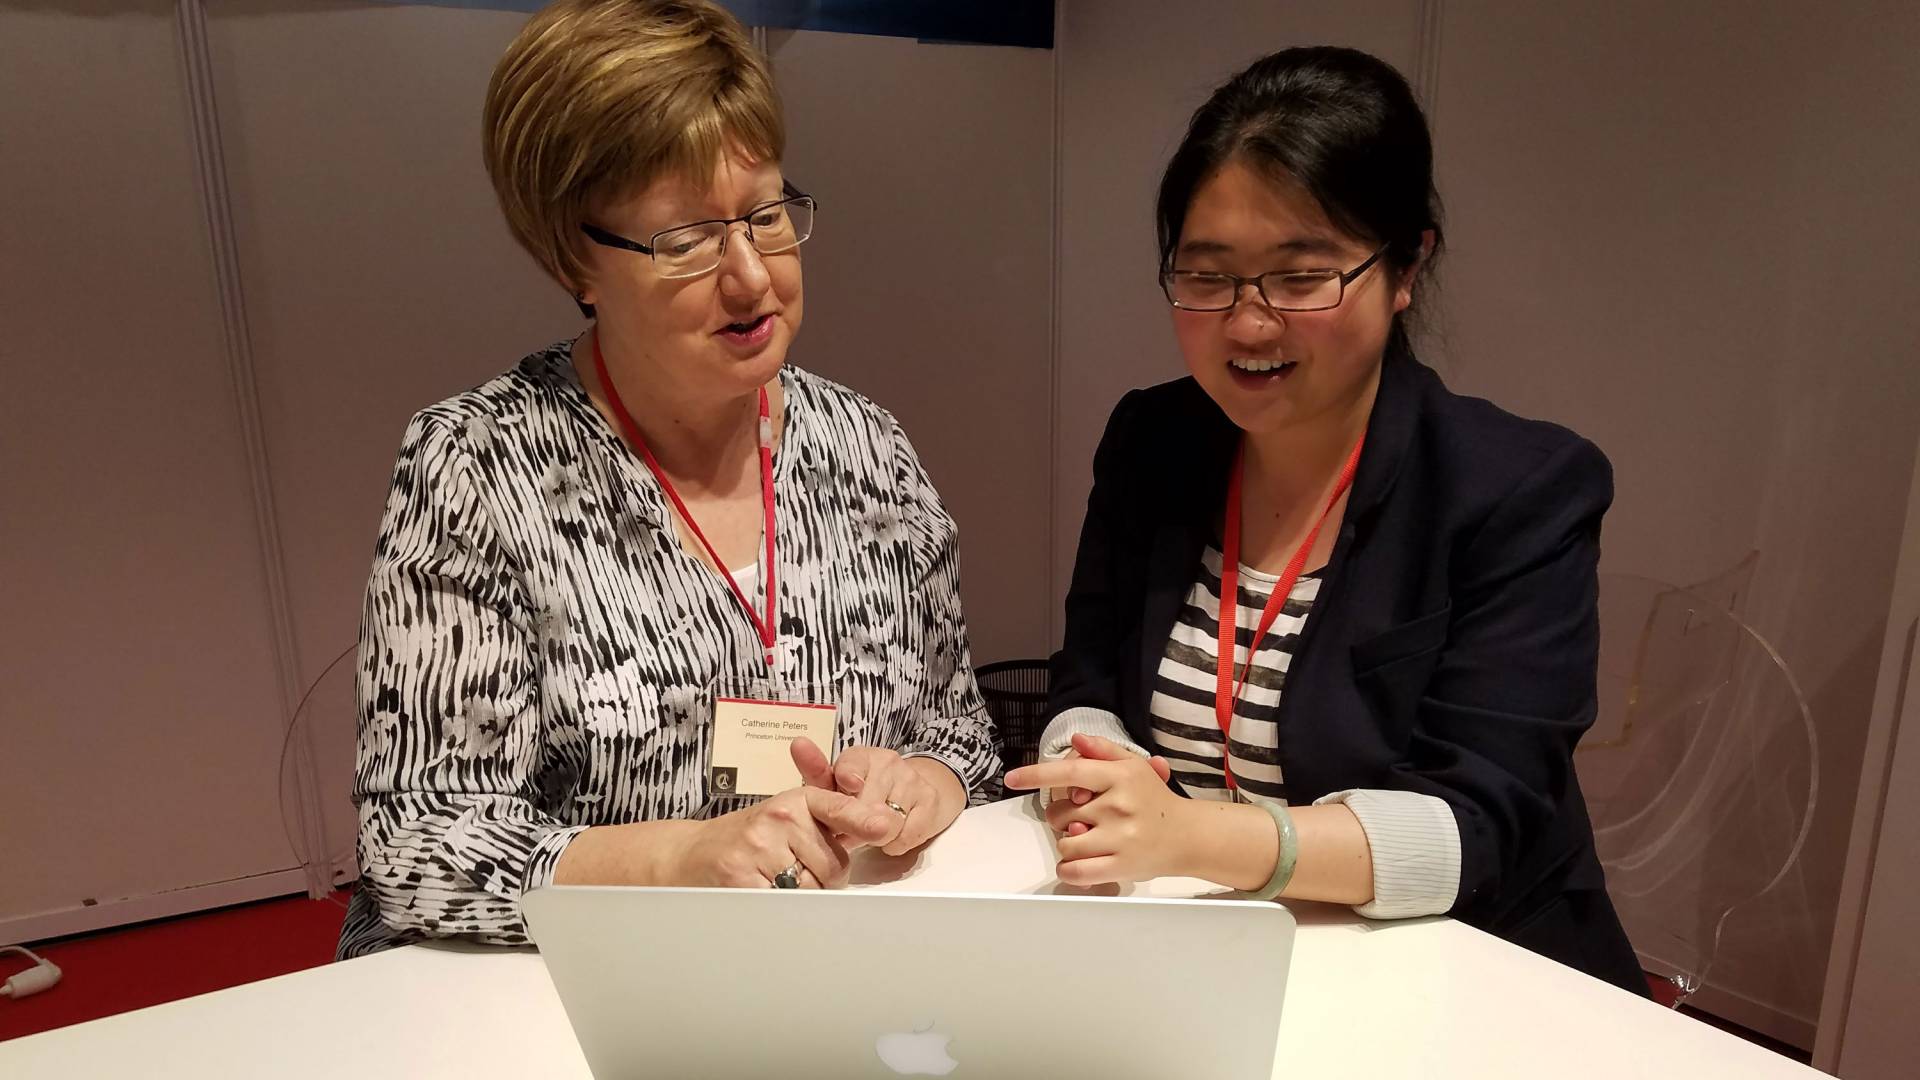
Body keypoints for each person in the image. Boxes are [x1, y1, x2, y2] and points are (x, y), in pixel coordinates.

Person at [338, 0, 996, 959]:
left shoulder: (866, 448)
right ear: (574, 256)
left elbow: (959, 733)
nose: (752, 278)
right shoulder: (480, 468)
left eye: (766, 216)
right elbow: (418, 843)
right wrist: (681, 856)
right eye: (686, 239)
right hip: (581, 991)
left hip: (830, 969)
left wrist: (922, 784)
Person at [1005, 46, 1647, 994]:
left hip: (1467, 978)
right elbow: (1086, 679)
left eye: (1301, 278)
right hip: (1211, 962)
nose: (1248, 324)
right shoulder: (1153, 440)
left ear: (1406, 267)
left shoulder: (1517, 488)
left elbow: (1473, 830)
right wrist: (1083, 767)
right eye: (1208, 276)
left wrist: (1191, 836)